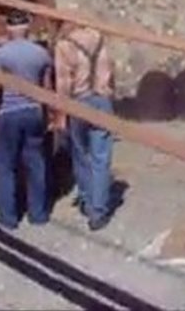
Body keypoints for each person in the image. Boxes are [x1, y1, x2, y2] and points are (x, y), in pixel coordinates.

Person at [0, 9, 52, 229]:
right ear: (27, 28)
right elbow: (47, 88)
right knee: (35, 163)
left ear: (8, 28)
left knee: (4, 166)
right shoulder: (41, 54)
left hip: (9, 113)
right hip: (34, 112)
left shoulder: (0, 54)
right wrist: (47, 116)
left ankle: (8, 218)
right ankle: (38, 214)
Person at [54, 20, 115, 231]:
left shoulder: (63, 45)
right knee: (101, 157)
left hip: (78, 102)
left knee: (80, 155)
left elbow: (63, 83)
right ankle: (98, 211)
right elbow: (109, 68)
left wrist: (60, 115)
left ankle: (88, 200)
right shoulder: (98, 37)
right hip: (101, 100)